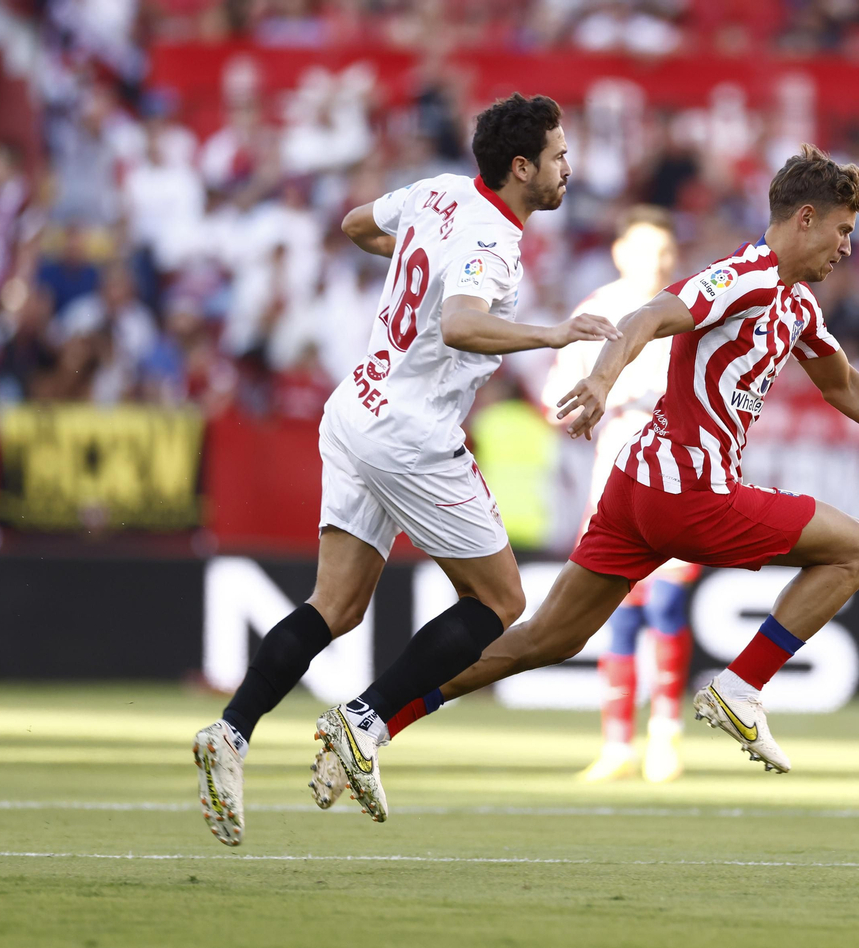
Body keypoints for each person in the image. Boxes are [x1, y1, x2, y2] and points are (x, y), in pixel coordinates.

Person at [350, 145, 859, 786]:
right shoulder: (745, 275)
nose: (848, 247)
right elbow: (651, 314)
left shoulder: (797, 306)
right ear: (804, 218)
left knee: (546, 639)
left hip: (636, 487)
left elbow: (845, 386)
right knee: (858, 549)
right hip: (690, 490)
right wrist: (602, 379)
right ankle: (742, 685)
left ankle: (368, 721)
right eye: (843, 229)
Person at [192, 92, 621, 847]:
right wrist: (552, 333)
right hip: (411, 431)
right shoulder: (491, 239)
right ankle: (363, 723)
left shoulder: (440, 192)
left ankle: (231, 734)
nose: (567, 169)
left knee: (337, 604)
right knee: (500, 599)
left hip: (356, 402)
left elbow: (356, 225)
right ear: (521, 169)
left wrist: (419, 262)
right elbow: (460, 322)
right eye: (557, 157)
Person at [539, 206, 701, 784]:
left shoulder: (692, 307)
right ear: (620, 252)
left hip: (682, 480)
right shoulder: (598, 310)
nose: (657, 261)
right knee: (616, 611)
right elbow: (555, 393)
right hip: (613, 482)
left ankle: (665, 736)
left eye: (665, 251)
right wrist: (584, 407)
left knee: (666, 605)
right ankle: (616, 743)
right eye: (645, 249)